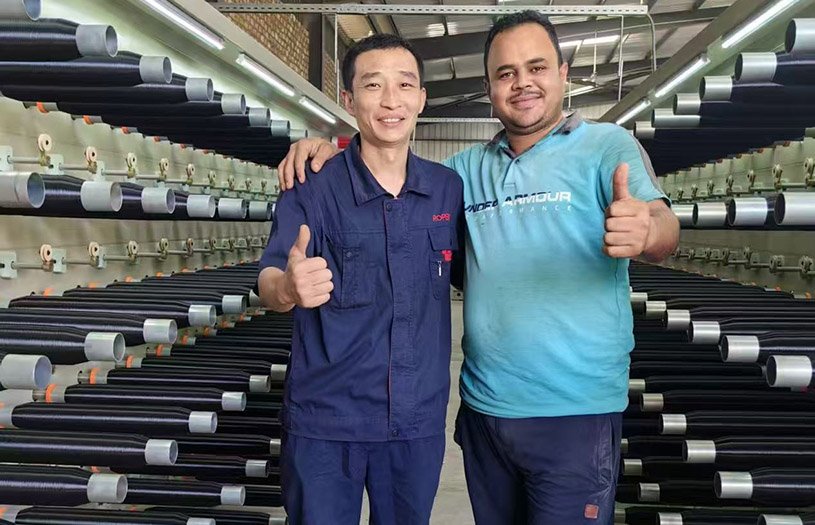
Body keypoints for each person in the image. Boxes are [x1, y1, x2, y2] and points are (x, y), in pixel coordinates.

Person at [276, 11, 680, 525]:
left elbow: (663, 227)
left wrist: (648, 231)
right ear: (489, 88)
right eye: (505, 73)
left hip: (574, 412)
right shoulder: (461, 173)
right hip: (486, 409)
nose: (522, 83)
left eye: (537, 67)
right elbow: (387, 169)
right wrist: (325, 147)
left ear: (563, 73)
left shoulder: (607, 147)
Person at [256, 34, 463, 525]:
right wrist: (287, 288)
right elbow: (268, 279)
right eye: (373, 85)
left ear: (421, 98)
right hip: (326, 423)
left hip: (415, 421)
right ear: (349, 101)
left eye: (405, 85)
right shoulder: (311, 185)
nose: (391, 101)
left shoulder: (447, 189)